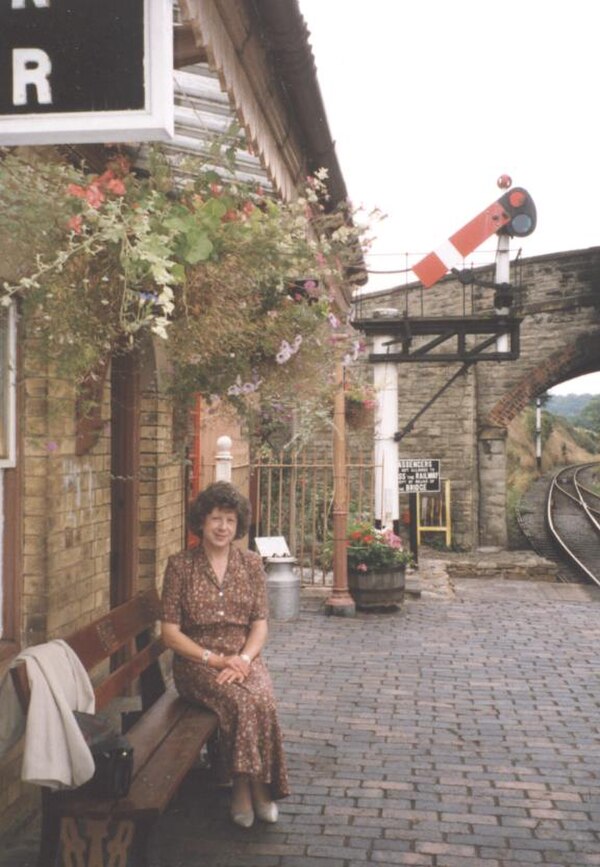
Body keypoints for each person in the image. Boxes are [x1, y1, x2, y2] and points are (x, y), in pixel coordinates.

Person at [160, 481, 289, 828]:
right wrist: (215, 660)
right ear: (201, 521)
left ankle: (256, 786)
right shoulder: (180, 566)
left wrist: (245, 660)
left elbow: (260, 624)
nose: (222, 527)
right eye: (216, 518)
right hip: (197, 663)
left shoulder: (250, 564)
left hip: (243, 657)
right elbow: (170, 633)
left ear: (238, 525)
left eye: (230, 521)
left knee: (264, 700)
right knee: (242, 703)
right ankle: (244, 791)